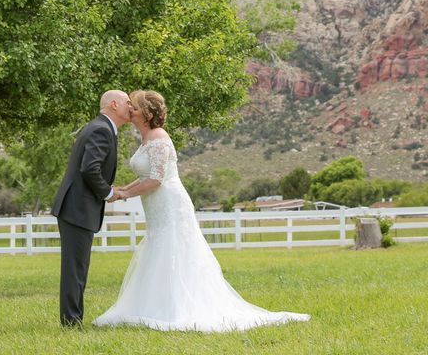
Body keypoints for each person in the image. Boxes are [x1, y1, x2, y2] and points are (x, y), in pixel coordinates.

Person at [93, 90, 310, 332]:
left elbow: (156, 179)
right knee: (159, 247)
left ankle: (176, 308)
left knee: (174, 249)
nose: (130, 109)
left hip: (169, 202)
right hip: (155, 204)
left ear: (147, 113)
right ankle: (152, 304)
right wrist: (122, 189)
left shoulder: (158, 137)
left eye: (135, 106)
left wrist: (124, 194)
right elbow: (145, 176)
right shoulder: (146, 138)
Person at [51, 90, 132, 327]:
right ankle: (71, 322)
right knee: (75, 269)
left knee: (77, 268)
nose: (131, 106)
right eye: (128, 102)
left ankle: (73, 318)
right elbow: (90, 168)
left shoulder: (101, 128)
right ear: (114, 105)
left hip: (77, 208)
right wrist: (107, 193)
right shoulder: (101, 130)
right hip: (77, 208)